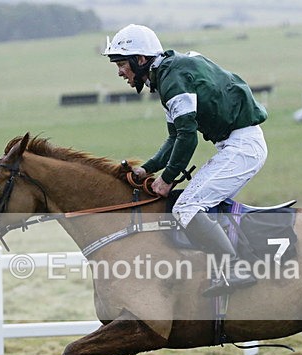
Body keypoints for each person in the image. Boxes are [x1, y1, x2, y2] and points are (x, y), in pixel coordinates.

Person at [102, 24, 269, 297]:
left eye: (122, 64)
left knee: (186, 207)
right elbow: (173, 139)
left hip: (242, 147)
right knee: (195, 204)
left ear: (140, 60)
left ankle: (239, 268)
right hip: (237, 144)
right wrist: (147, 168)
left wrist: (167, 179)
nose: (120, 72)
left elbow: (188, 137)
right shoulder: (168, 73)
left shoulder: (172, 79)